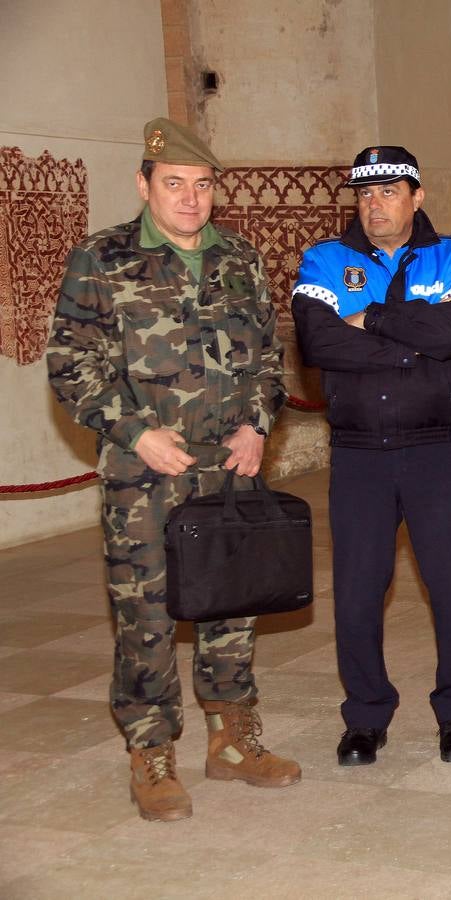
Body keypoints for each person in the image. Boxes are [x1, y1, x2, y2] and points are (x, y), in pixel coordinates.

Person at [47, 118, 299, 822]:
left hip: (230, 467)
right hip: (143, 477)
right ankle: (151, 753)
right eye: (174, 184)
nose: (190, 199)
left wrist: (258, 425)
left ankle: (232, 740)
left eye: (202, 185)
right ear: (144, 185)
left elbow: (270, 360)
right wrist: (135, 432)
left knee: (233, 601)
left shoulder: (240, 258)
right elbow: (71, 365)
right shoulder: (102, 259)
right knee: (145, 615)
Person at [291, 146, 451, 768]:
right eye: (365, 194)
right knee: (355, 591)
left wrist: (372, 317)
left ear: (416, 196)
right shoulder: (325, 259)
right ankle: (365, 717)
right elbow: (318, 341)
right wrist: (415, 344)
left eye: (388, 192)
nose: (374, 205)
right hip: (359, 457)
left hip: (437, 451)